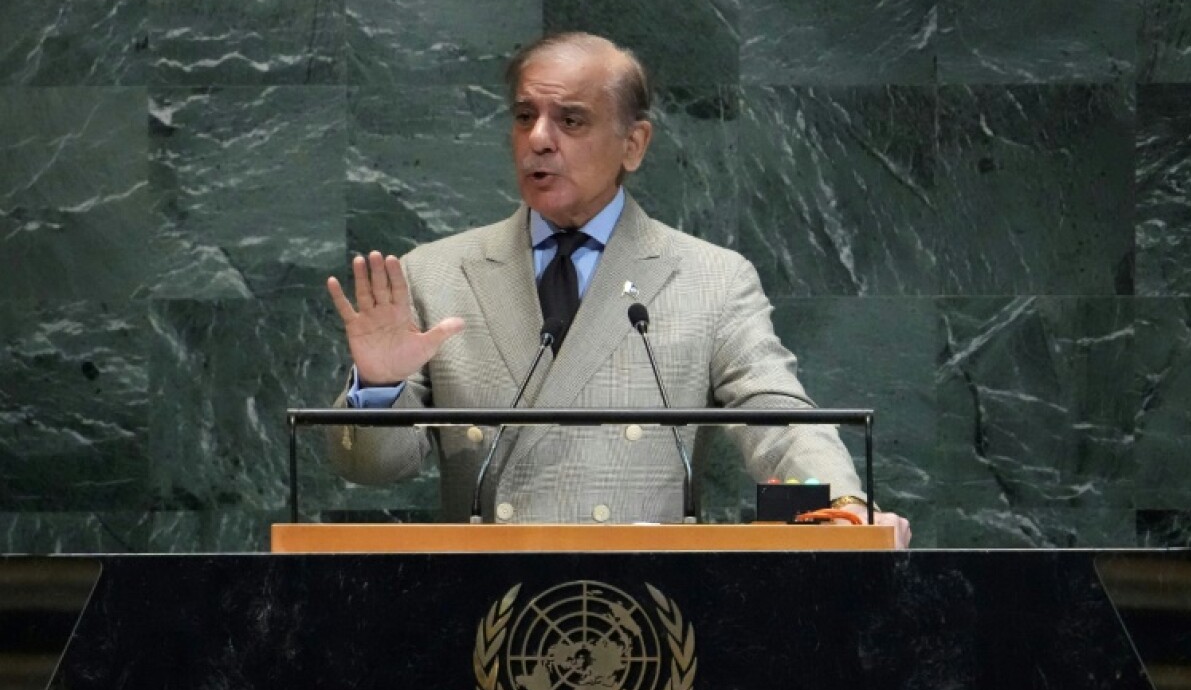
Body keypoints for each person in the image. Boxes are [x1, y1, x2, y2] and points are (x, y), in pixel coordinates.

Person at [326, 32, 911, 547]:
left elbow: (778, 420)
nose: (539, 139)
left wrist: (846, 512)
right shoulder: (435, 273)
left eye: (571, 120)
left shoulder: (710, 277)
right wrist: (379, 384)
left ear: (634, 144)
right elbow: (375, 469)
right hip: (487, 615)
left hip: (649, 616)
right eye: (524, 115)